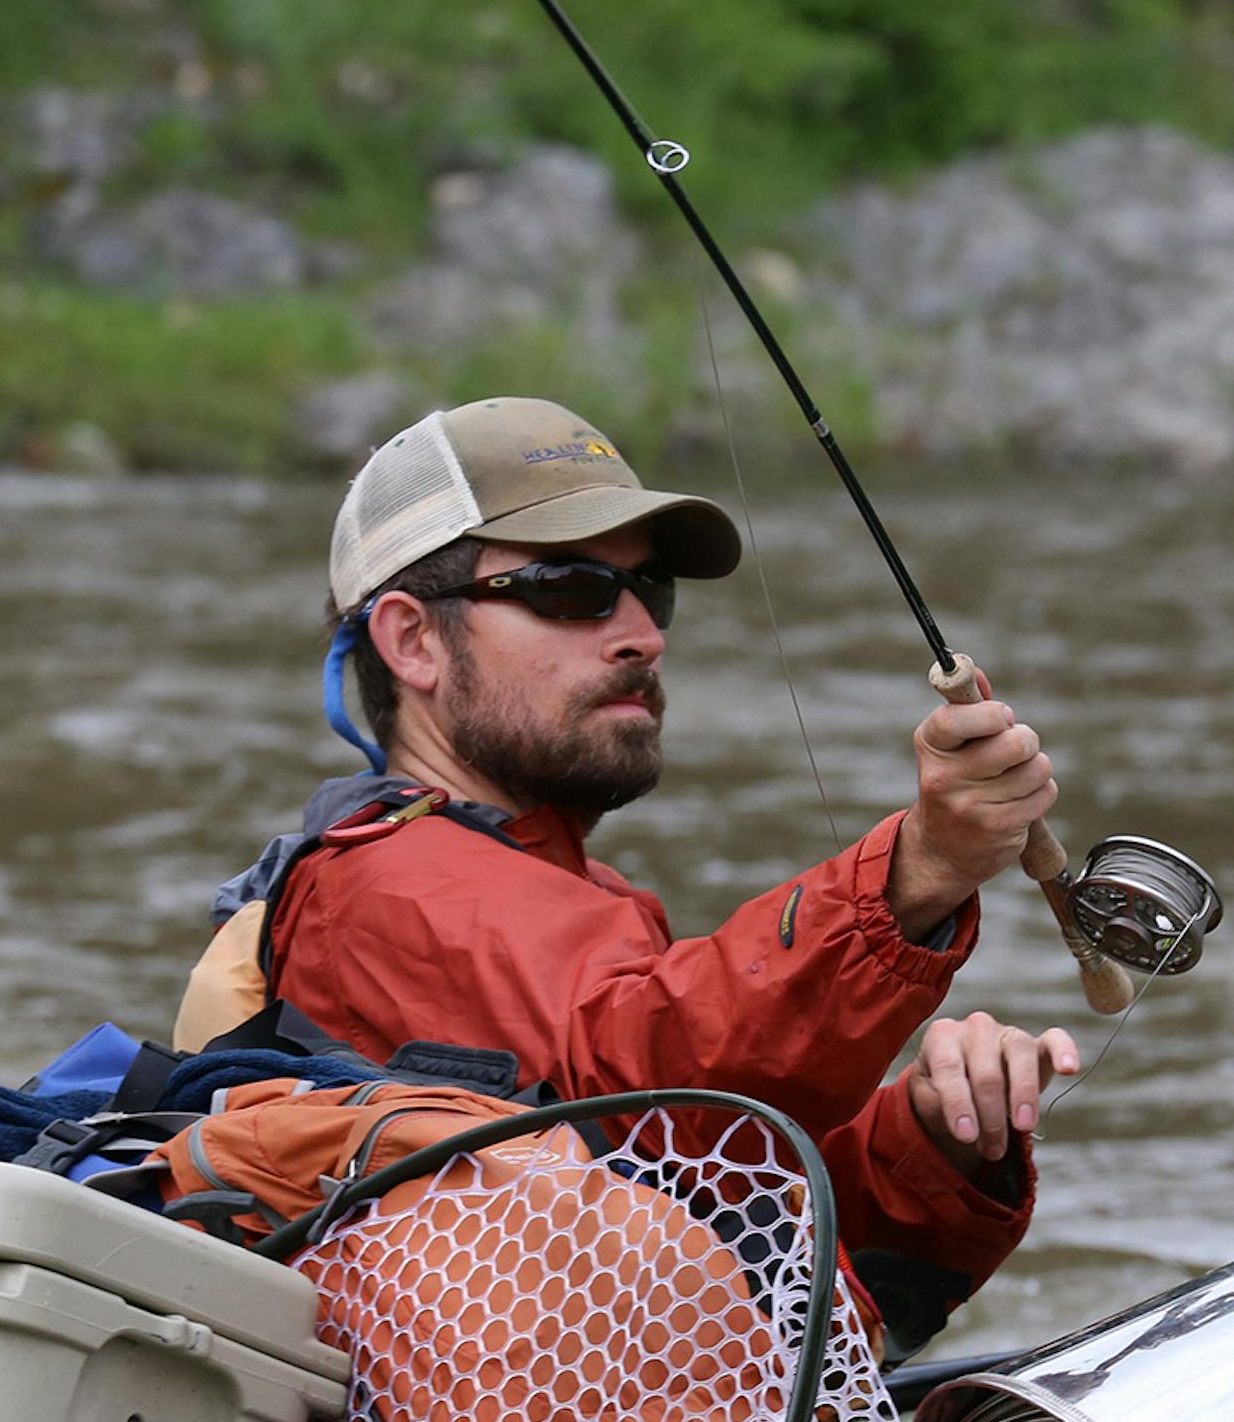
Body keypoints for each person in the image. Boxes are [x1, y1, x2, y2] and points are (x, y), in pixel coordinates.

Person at [178, 397, 1079, 1354]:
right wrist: (917, 871)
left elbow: (713, 1222)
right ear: (412, 642)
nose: (641, 633)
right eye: (570, 590)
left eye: (652, 590)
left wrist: (933, 1142)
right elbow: (646, 1094)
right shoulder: (389, 881)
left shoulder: (571, 895)